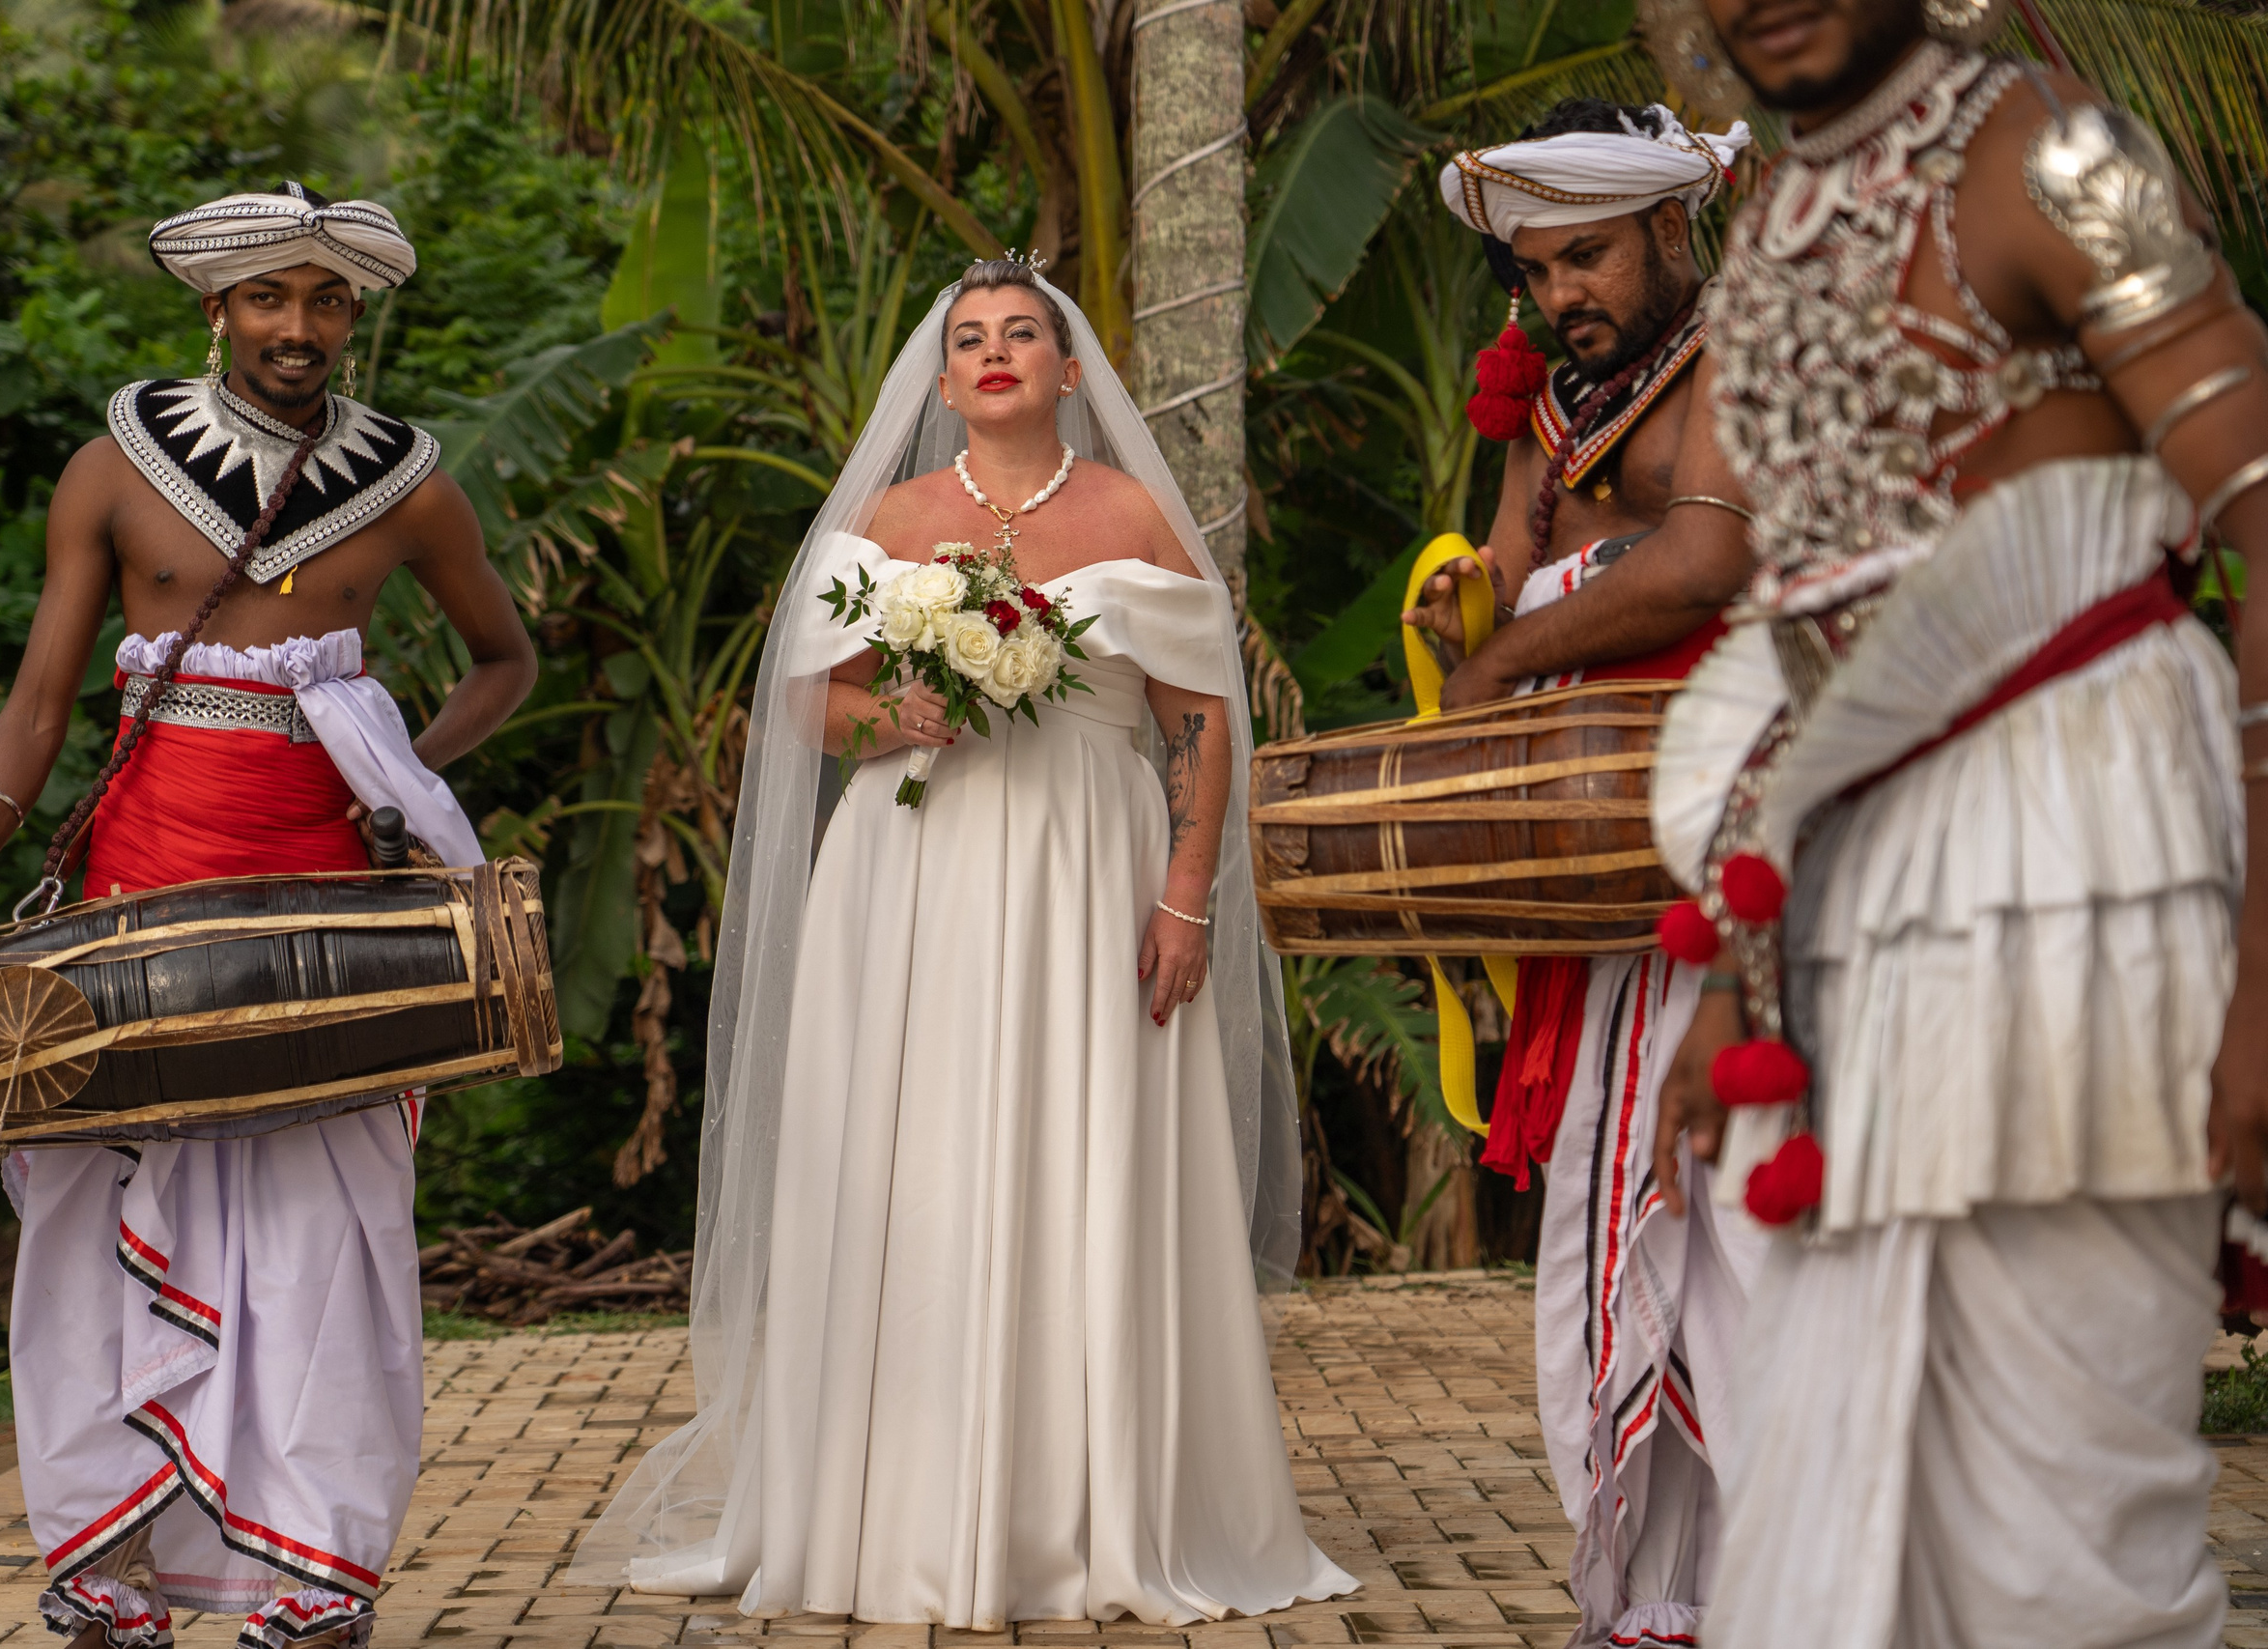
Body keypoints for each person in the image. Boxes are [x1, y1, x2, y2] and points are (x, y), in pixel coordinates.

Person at [1449, 0, 2268, 1638]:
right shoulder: (1784, 247)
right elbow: (1804, 637)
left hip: (2089, 856)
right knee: (1831, 1468)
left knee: (2061, 1508)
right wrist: (1745, 971)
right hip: (1850, 914)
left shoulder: (2056, 152)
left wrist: (2260, 979)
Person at [563, 257, 1356, 1627]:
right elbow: (814, 707)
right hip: (912, 877)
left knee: (1085, 1144)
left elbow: (1193, 715)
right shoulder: (889, 517)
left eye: (1023, 335)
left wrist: (1184, 893)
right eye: (970, 339)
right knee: (910, 1163)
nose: (996, 354)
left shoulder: (1133, 515)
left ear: (1066, 370)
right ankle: (901, 1508)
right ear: (941, 382)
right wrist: (896, 720)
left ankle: (1090, 1509)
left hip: (1089, 868)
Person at [0, 182, 536, 1649]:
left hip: (322, 924)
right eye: (271, 298)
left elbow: (501, 662)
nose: (300, 326)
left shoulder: (407, 481)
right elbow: (38, 709)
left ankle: (318, 1578)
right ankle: (106, 1569)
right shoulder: (112, 469)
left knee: (321, 1246)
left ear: (355, 316)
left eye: (329, 301)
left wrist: (397, 787)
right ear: (215, 309)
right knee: (100, 1232)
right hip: (129, 915)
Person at [1402, 99, 1764, 1649]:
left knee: (1741, 1222)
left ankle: (1798, 1583)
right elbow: (1505, 564)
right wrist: (1461, 618)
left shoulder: (1744, 356)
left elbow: (1706, 563)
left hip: (1735, 859)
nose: (1563, 296)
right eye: (1538, 271)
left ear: (1676, 228)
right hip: (1595, 869)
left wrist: (1507, 670)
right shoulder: (1566, 402)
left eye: (1591, 257)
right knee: (1623, 1219)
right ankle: (1671, 1598)